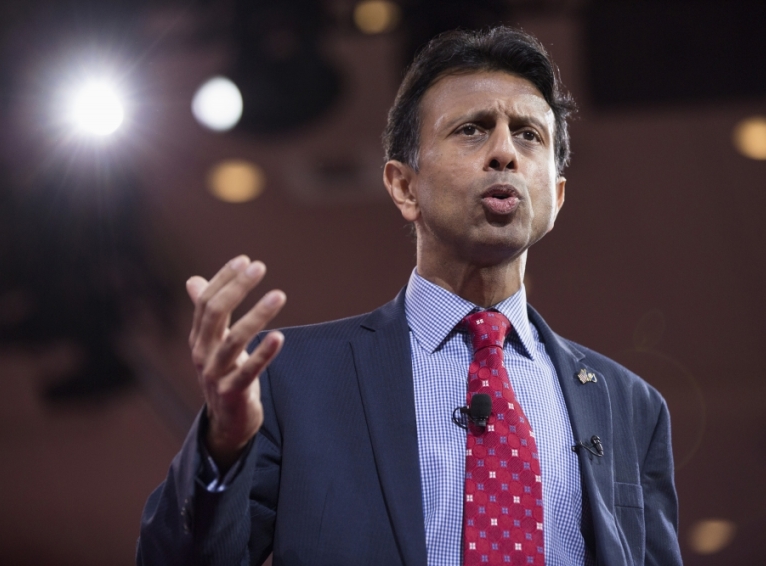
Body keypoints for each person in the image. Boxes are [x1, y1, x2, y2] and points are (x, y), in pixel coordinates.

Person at [138, 26, 681, 566]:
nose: (504, 153)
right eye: (472, 130)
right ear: (403, 186)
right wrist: (223, 449)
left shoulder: (629, 406)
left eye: (528, 135)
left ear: (556, 196)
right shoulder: (290, 379)